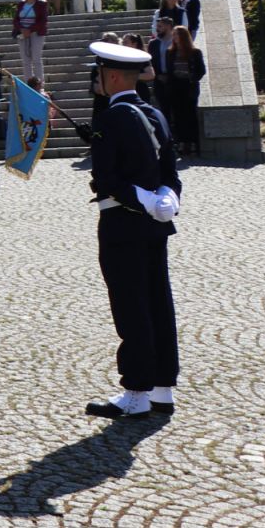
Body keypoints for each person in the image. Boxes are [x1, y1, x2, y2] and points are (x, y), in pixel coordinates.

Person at [81, 40, 183, 420]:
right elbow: (170, 172)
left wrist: (142, 198)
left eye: (99, 75)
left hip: (122, 224)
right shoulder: (155, 114)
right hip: (156, 225)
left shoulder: (110, 119)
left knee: (131, 305)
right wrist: (166, 199)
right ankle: (162, 388)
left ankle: (137, 391)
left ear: (110, 77)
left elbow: (108, 179)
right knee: (158, 302)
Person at [166, 26, 206, 155]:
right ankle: (181, 142)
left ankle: (193, 142)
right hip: (176, 86)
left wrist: (192, 78)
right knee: (178, 115)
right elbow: (169, 70)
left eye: (177, 35)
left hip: (189, 86)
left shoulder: (195, 52)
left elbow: (201, 70)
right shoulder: (170, 52)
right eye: (173, 35)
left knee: (190, 114)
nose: (174, 38)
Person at [12, 0, 49, 83]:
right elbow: (16, 19)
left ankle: (39, 83)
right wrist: (21, 29)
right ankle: (28, 83)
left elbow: (43, 20)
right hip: (22, 33)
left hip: (36, 33)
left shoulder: (41, 3)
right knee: (26, 61)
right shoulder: (21, 4)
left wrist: (30, 30)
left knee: (36, 59)